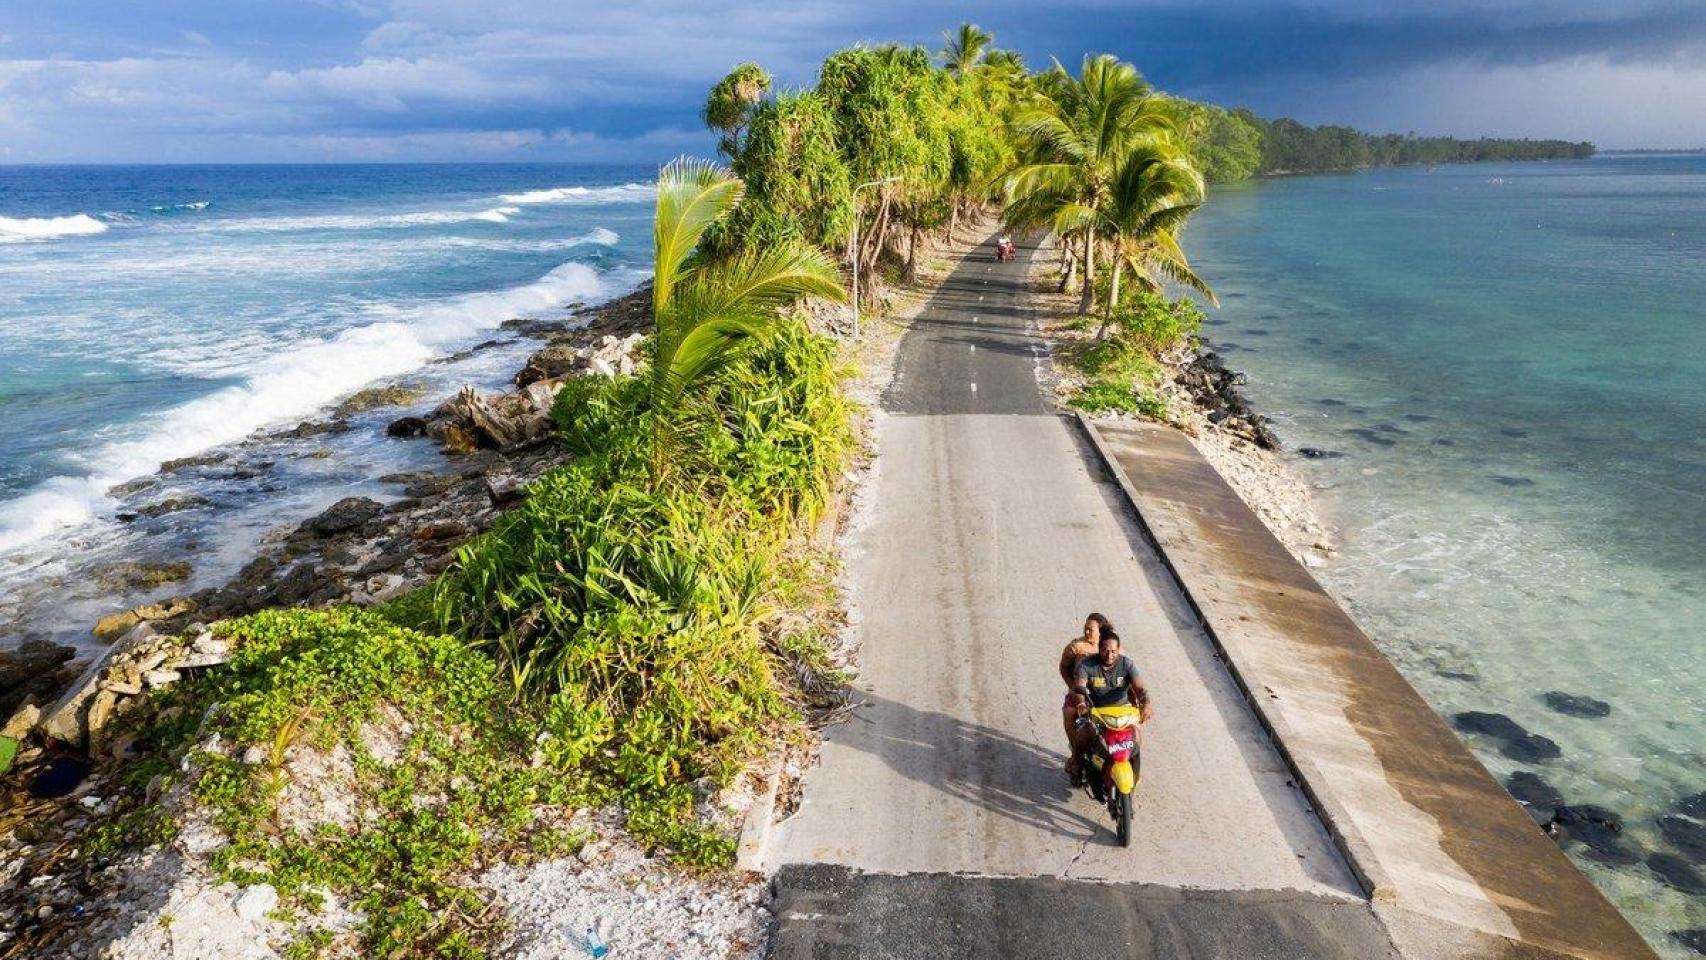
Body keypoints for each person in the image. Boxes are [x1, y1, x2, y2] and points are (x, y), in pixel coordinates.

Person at [1068, 629, 1151, 785]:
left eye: (1113, 651)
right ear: (1099, 648)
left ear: (1118, 650)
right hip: (1095, 712)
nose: (1109, 654)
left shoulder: (1127, 664)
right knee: (1085, 733)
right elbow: (1079, 687)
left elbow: (1139, 688)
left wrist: (1146, 703)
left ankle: (1135, 772)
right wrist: (1081, 703)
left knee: (1137, 737)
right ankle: (1077, 764)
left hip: (1123, 712)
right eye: (1105, 650)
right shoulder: (1086, 665)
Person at [1059, 613, 1111, 781]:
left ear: (1100, 631)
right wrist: (1072, 687)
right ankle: (1076, 757)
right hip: (1081, 695)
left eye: (1091, 629)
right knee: (1069, 713)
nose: (1087, 632)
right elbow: (1064, 667)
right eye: (1086, 629)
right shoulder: (1077, 647)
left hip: (1105, 696)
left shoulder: (1110, 647)